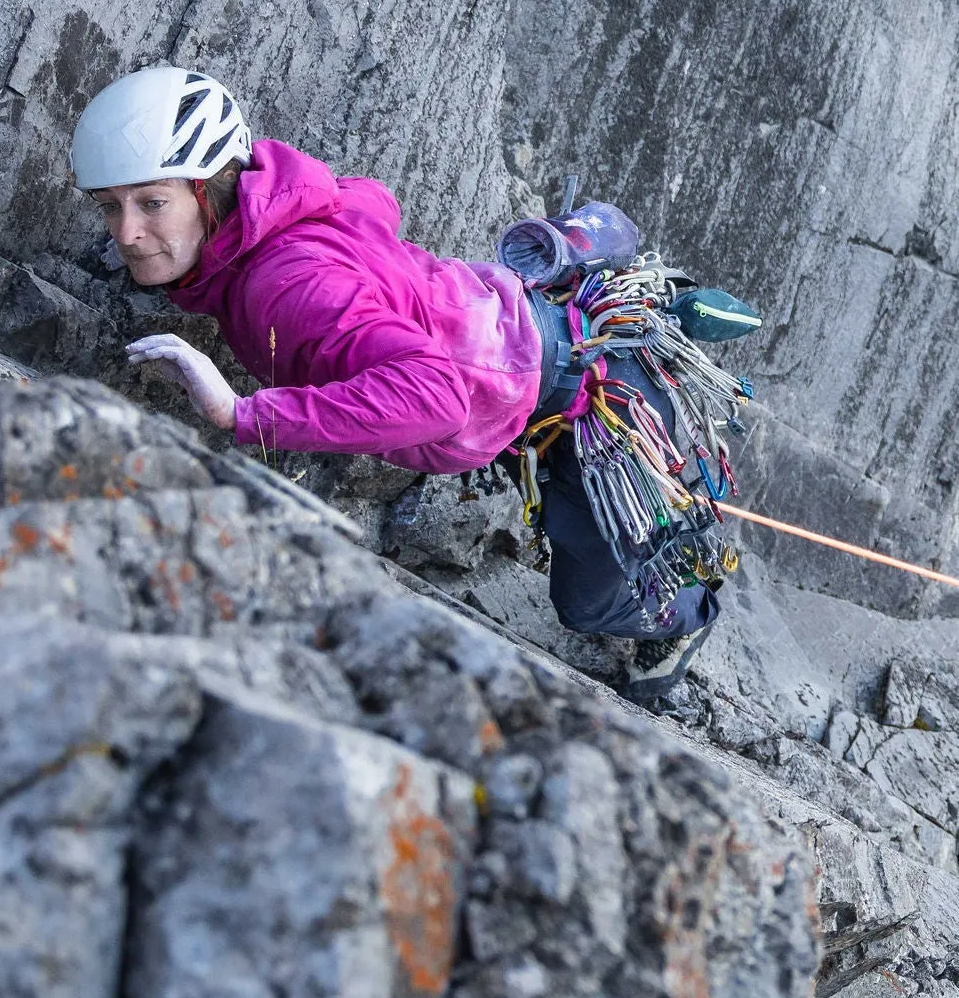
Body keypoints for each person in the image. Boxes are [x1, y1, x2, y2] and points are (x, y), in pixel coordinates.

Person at [71, 63, 718, 665]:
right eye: (110, 206)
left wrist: (243, 414)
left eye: (151, 203)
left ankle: (689, 620)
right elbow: (369, 201)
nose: (125, 233)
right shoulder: (281, 218)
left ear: (208, 191)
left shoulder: (282, 286)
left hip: (593, 395)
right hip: (534, 344)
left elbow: (435, 398)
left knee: (591, 605)